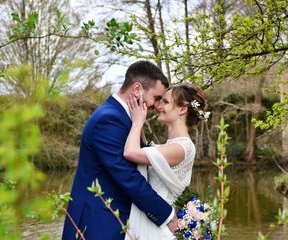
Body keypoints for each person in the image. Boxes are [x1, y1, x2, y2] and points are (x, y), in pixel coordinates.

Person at [62, 60, 178, 240]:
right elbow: (126, 176)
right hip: (97, 223)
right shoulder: (108, 120)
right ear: (137, 89)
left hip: (117, 219)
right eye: (156, 98)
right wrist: (166, 214)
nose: (157, 105)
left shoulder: (126, 117)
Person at [123, 83, 207, 239]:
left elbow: (130, 152)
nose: (159, 106)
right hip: (152, 218)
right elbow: (148, 150)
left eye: (166, 102)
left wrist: (137, 122)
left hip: (159, 226)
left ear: (182, 109)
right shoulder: (170, 146)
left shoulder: (181, 148)